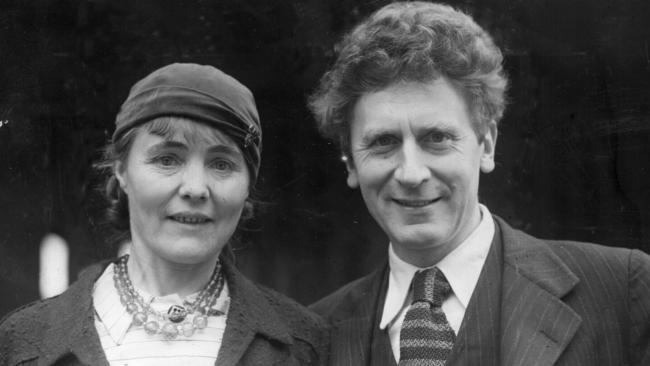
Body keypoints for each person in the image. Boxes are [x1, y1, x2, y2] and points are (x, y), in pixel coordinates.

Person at [308, 2, 650, 366]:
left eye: (436, 138)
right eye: (383, 142)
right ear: (350, 161)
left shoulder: (620, 290)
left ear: (486, 144)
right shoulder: (317, 336)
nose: (411, 173)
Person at [0, 63, 327, 365]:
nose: (196, 188)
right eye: (167, 159)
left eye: (221, 164)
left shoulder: (304, 345)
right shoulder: (25, 344)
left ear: (247, 188)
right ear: (122, 173)